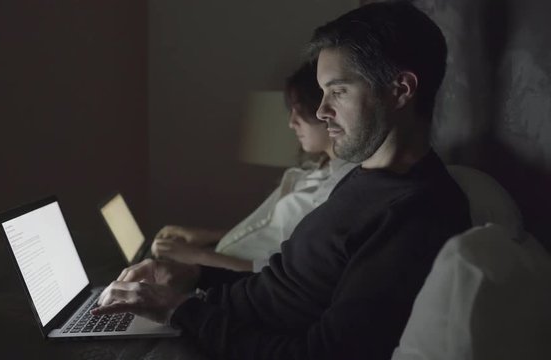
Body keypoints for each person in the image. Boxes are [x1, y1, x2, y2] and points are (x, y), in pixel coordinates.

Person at [92, 2, 472, 359]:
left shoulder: (416, 211)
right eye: (323, 93)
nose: (322, 111)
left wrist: (178, 311)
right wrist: (190, 275)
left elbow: (320, 354)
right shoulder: (365, 177)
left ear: (401, 89)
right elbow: (283, 286)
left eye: (337, 91)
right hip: (211, 316)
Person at [151, 63, 358, 273]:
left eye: (300, 109)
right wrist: (208, 237)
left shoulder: (343, 190)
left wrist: (199, 257)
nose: (291, 122)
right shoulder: (320, 170)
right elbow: (272, 234)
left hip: (235, 282)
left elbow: (287, 273)